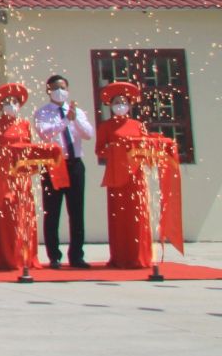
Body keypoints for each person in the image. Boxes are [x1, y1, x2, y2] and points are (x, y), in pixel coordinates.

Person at [96, 80, 179, 270]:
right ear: (110, 105)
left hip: (136, 177)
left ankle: (140, 256)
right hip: (116, 177)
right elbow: (100, 150)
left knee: (138, 216)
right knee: (119, 217)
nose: (120, 105)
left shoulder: (137, 125)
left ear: (130, 104)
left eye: (124, 102)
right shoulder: (106, 127)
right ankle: (120, 256)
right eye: (117, 102)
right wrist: (117, 150)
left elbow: (144, 147)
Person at [34, 74, 95, 269]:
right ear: (48, 90)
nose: (59, 91)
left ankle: (77, 255)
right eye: (55, 88)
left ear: (68, 89)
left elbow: (88, 134)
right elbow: (45, 133)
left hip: (75, 164)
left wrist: (74, 118)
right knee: (52, 211)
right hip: (53, 163)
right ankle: (54, 256)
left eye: (62, 87)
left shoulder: (75, 111)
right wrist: (65, 122)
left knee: (76, 211)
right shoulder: (43, 112)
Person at [0, 82, 40, 272]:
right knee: (7, 217)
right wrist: (1, 153)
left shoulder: (24, 124)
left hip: (22, 178)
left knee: (24, 215)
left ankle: (27, 256)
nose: (11, 105)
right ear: (0, 105)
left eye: (14, 101)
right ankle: (8, 258)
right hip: (3, 178)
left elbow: (29, 147)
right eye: (7, 102)